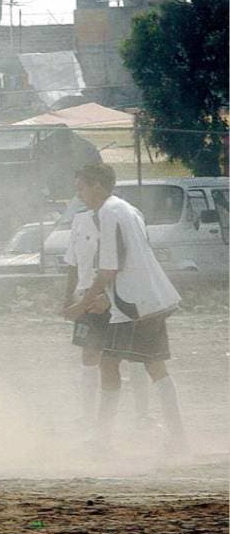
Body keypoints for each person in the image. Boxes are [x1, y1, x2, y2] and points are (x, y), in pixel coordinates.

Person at [67, 163, 186, 453]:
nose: (80, 195)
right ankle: (177, 438)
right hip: (149, 299)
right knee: (151, 365)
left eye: (81, 188)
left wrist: (83, 303)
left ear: (97, 185)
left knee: (113, 364)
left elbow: (109, 268)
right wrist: (104, 298)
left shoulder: (109, 212)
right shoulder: (128, 209)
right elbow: (130, 261)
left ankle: (103, 440)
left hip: (133, 305)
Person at [60, 186, 150, 426]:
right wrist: (69, 298)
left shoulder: (128, 217)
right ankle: (88, 415)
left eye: (83, 188)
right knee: (90, 353)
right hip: (87, 297)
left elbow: (130, 262)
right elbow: (73, 263)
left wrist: (108, 298)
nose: (80, 194)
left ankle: (143, 415)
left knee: (133, 356)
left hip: (121, 297)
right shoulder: (80, 220)